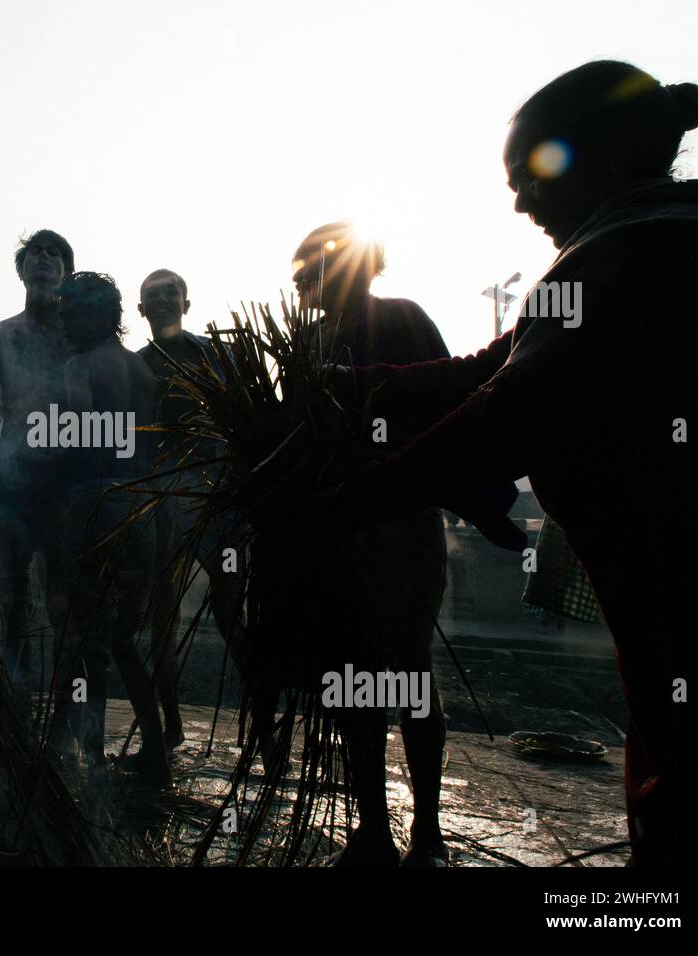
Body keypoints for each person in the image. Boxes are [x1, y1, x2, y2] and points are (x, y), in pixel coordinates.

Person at [302, 61, 698, 867]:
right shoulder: (652, 237)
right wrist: (350, 390)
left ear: (600, 159)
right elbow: (492, 369)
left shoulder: (633, 254)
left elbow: (498, 417)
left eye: (531, 177)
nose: (520, 203)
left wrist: (339, 506)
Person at [291, 222, 454, 866]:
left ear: (365, 266)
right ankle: (373, 832)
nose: (323, 276)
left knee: (409, 671)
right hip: (335, 528)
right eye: (313, 266)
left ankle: (430, 835)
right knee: (351, 677)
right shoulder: (305, 343)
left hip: (400, 521)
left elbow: (450, 397)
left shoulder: (404, 318)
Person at [50, 272, 168, 785]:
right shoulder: (141, 370)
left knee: (89, 640)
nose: (64, 321)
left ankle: (94, 763)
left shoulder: (80, 366)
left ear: (97, 314)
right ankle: (157, 754)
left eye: (71, 311)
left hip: (96, 502)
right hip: (142, 505)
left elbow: (70, 445)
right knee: (122, 640)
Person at [136, 268, 245, 751]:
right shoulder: (137, 365)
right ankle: (171, 723)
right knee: (163, 611)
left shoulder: (213, 356)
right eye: (151, 297)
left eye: (169, 293)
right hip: (160, 497)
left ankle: (258, 720)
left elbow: (243, 418)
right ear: (141, 310)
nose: (161, 302)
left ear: (186, 301)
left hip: (216, 494)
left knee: (230, 608)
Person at [0, 230, 74, 688]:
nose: (44, 258)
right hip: (11, 482)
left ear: (65, 273)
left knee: (65, 603)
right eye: (35, 251)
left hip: (65, 483)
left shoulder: (78, 338)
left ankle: (66, 720)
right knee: (13, 600)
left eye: (55, 253)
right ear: (21, 269)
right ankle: (15, 702)